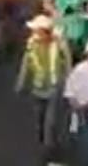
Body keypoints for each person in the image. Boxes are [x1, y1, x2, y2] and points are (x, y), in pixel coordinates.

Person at [15, 14, 71, 144]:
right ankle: (45, 137)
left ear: (46, 32)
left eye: (37, 31)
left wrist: (70, 83)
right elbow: (25, 64)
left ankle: (49, 147)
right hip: (38, 87)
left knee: (50, 120)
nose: (35, 33)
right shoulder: (31, 44)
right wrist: (20, 83)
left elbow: (67, 62)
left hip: (54, 86)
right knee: (39, 117)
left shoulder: (59, 43)